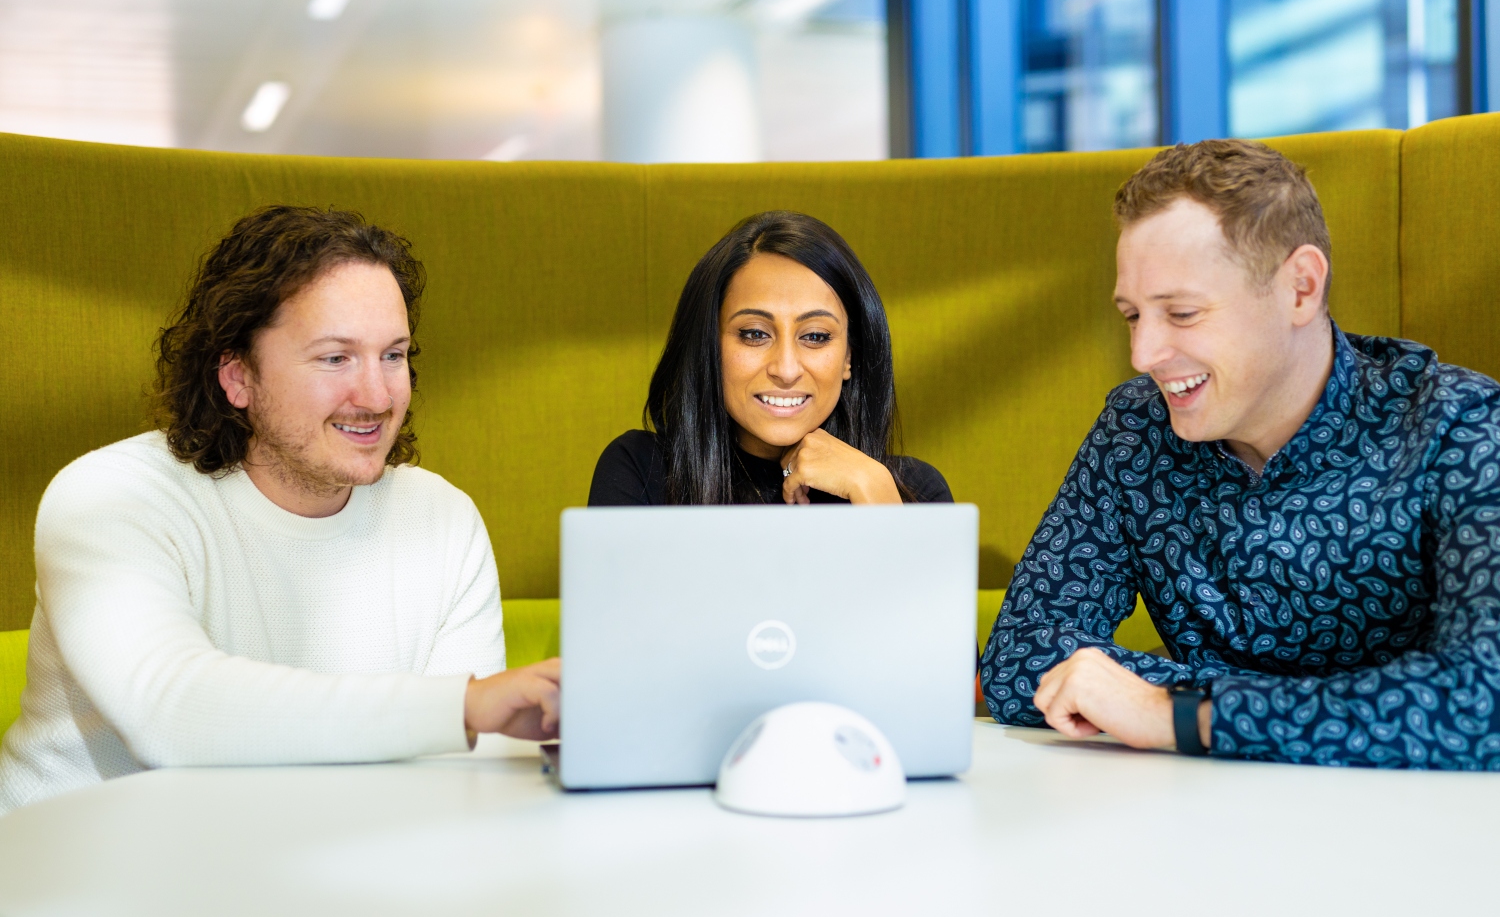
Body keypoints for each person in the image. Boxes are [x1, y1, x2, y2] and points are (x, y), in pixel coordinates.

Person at [0, 206, 560, 813]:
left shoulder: (441, 518)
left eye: (393, 355)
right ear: (238, 376)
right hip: (79, 878)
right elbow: (172, 712)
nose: (376, 396)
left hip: (321, 876)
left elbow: (457, 779)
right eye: (335, 358)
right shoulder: (110, 496)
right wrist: (464, 706)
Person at [981, 139, 1500, 769]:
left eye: (1182, 312)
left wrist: (1173, 715)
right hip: (1196, 831)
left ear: (1300, 288)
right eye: (1132, 316)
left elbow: (1481, 698)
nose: (1144, 354)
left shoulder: (1460, 426)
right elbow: (1020, 658)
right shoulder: (1135, 430)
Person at [589, 210, 952, 507]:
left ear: (848, 357)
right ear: (709, 347)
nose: (786, 369)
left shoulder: (914, 491)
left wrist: (876, 496)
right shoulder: (640, 470)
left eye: (815, 336)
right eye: (754, 334)